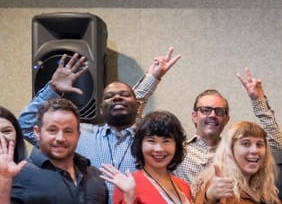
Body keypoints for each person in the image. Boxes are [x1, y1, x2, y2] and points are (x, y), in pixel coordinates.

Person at [17, 48, 180, 194]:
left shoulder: (150, 140)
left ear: (138, 106)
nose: (117, 98)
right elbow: (25, 126)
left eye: (124, 95)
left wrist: (153, 77)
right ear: (101, 109)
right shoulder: (79, 135)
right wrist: (53, 89)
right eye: (109, 96)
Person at [175, 89, 230, 186]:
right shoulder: (177, 151)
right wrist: (154, 79)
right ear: (194, 116)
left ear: (226, 119)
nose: (212, 115)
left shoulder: (234, 154)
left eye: (219, 111)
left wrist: (256, 99)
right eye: (206, 110)